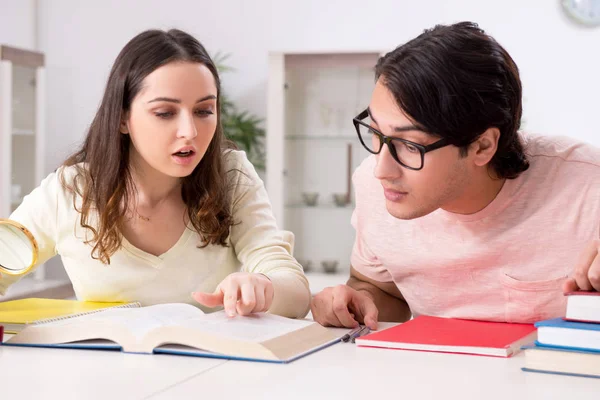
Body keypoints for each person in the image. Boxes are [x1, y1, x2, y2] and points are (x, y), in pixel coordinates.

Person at [0, 29, 310, 319]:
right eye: (165, 113)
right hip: (100, 373)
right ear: (123, 118)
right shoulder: (71, 191)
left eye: (204, 111)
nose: (189, 132)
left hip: (211, 372)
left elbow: (295, 290)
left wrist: (263, 286)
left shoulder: (230, 176)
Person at [311, 21, 600, 330]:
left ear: (482, 146)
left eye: (409, 145)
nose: (382, 170)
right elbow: (381, 289)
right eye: (376, 132)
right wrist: (357, 301)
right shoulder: (374, 185)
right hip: (435, 373)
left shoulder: (587, 187)